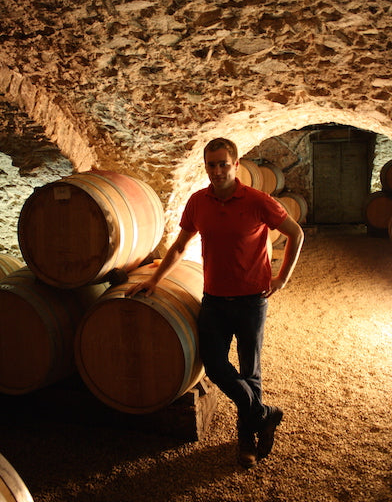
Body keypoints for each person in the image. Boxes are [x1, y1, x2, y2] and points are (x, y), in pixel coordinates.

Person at [126, 137, 304, 469]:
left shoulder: (257, 201)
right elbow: (179, 247)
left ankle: (245, 439)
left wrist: (282, 278)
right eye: (212, 164)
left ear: (236, 165)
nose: (218, 170)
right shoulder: (198, 202)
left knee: (250, 371)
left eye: (224, 163)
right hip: (214, 300)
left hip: (252, 300)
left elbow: (296, 233)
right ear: (206, 166)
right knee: (215, 365)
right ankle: (265, 414)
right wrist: (154, 280)